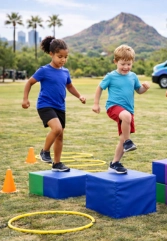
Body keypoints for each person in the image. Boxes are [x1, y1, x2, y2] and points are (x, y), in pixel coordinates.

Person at [22, 36, 86, 172]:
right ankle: (44, 151)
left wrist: (79, 96)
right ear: (51, 54)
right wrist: (25, 99)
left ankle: (57, 164)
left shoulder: (65, 72)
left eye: (65, 57)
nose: (63, 60)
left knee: (60, 134)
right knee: (56, 129)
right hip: (45, 105)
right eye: (59, 56)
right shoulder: (44, 70)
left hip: (60, 107)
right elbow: (29, 82)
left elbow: (69, 86)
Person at [92, 44, 150, 174]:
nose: (126, 67)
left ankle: (115, 163)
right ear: (115, 62)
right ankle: (128, 142)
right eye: (123, 64)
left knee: (122, 138)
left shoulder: (133, 76)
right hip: (113, 107)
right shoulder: (111, 76)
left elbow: (139, 90)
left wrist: (145, 88)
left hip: (128, 111)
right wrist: (96, 104)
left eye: (128, 64)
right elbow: (100, 88)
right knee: (126, 121)